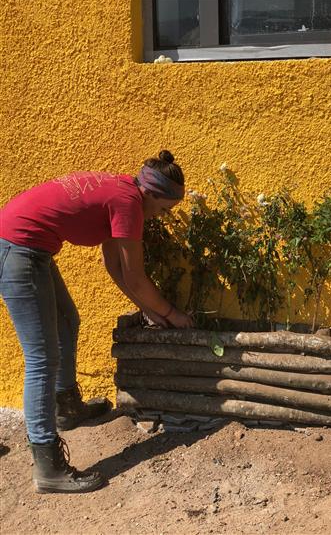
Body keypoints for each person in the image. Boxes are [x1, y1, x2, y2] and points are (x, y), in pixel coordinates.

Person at [0, 150, 194, 494]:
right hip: (18, 249)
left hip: (29, 246)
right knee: (41, 358)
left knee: (66, 322)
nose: (161, 218)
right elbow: (135, 276)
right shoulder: (128, 204)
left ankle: (67, 408)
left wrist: (149, 310)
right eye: (163, 210)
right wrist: (172, 314)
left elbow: (115, 268)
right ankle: (48, 467)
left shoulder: (122, 192)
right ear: (151, 193)